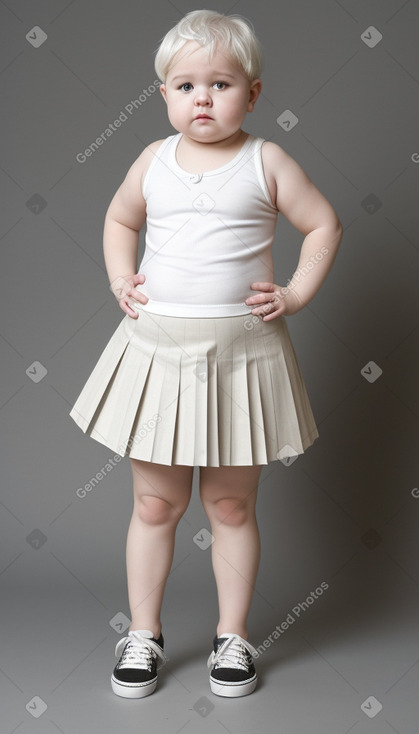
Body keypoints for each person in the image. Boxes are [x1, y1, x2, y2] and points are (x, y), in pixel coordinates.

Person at [69, 8, 343, 700]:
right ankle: (143, 633)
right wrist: (118, 276)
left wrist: (298, 292)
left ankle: (232, 637)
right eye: (185, 85)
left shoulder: (266, 160)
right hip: (158, 351)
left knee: (229, 507)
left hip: (241, 358)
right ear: (162, 94)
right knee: (155, 504)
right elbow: (119, 217)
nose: (202, 98)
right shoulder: (151, 161)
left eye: (220, 84)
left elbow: (321, 224)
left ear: (251, 94)